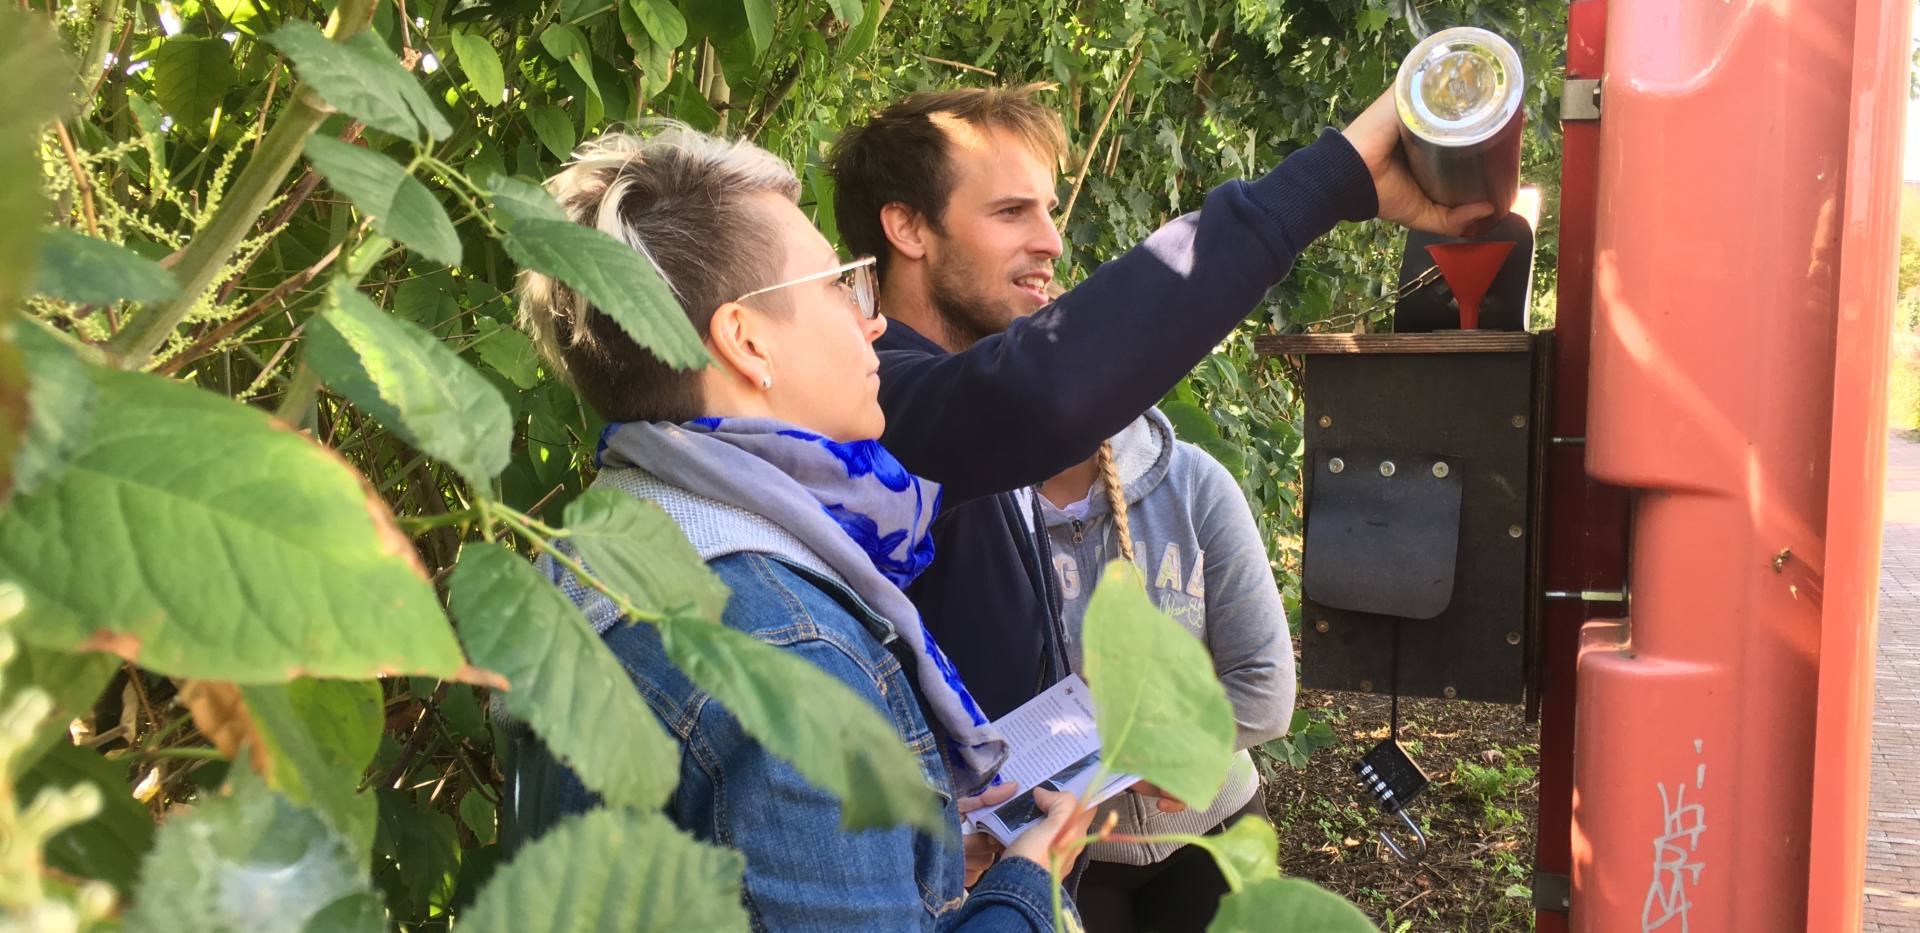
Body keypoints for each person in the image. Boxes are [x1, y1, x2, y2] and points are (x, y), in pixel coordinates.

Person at [503, 124, 1094, 930]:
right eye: (841, 286)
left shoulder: (613, 545)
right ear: (746, 341)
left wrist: (905, 862)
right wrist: (1026, 884)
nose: (874, 321)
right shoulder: (785, 658)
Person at [826, 84, 1490, 729]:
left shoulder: (952, 408)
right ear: (907, 227)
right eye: (1011, 212)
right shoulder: (871, 402)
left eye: (1048, 210)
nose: (1051, 242)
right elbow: (1040, 390)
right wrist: (1327, 183)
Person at [1035, 410, 1293, 932]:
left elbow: (1265, 690)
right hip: (1073, 856)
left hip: (1214, 832)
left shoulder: (1194, 485)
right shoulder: (979, 514)